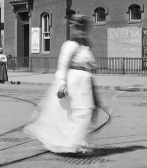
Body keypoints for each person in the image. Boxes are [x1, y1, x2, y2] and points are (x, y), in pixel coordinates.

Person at [25, 15, 98, 154]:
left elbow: (90, 64)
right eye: (79, 28)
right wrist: (62, 84)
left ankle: (78, 142)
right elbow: (62, 66)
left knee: (84, 113)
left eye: (84, 28)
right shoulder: (70, 45)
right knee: (77, 113)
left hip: (85, 84)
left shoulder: (86, 46)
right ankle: (72, 144)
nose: (82, 31)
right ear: (74, 29)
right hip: (75, 83)